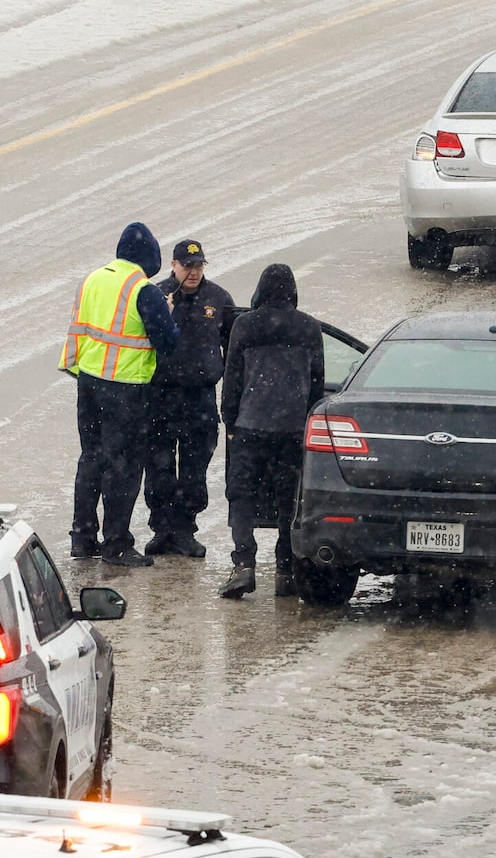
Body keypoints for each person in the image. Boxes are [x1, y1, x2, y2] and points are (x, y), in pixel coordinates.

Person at [59, 222, 178, 566]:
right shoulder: (144, 290)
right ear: (148, 258)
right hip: (126, 389)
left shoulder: (94, 279)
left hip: (89, 381)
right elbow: (167, 342)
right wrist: (168, 314)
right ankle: (117, 544)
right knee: (123, 468)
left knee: (91, 459)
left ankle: (82, 538)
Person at [218, 262, 325, 599]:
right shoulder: (309, 328)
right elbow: (317, 385)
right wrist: (307, 421)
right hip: (292, 429)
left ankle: (244, 565)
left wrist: (230, 420)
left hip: (250, 426)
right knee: (288, 500)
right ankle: (285, 570)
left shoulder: (245, 326)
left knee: (241, 495)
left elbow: (232, 378)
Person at [143, 238, 235, 559]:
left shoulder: (219, 299)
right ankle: (162, 529)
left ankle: (185, 529)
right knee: (158, 467)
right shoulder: (155, 295)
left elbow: (233, 349)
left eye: (198, 266)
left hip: (199, 398)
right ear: (174, 265)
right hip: (160, 396)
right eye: (187, 266)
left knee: (194, 468)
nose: (193, 272)